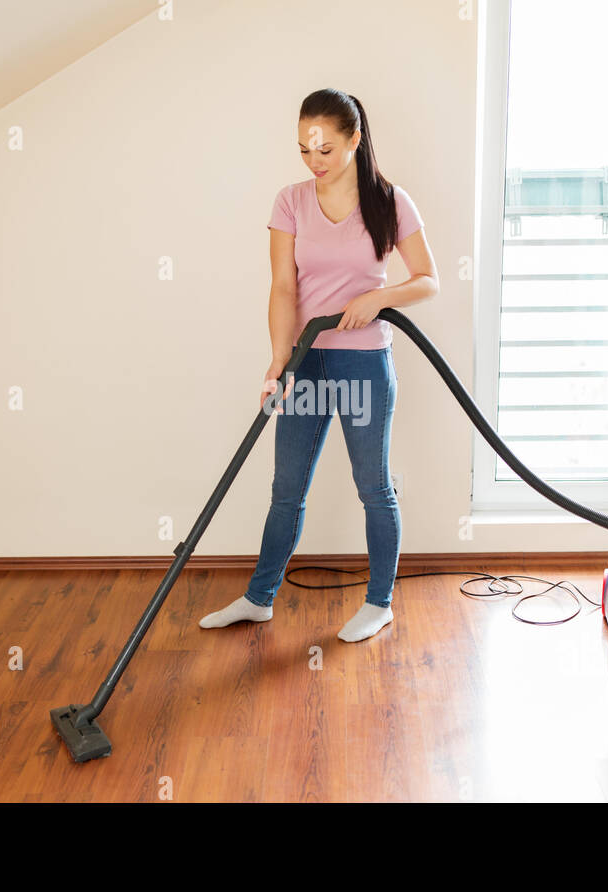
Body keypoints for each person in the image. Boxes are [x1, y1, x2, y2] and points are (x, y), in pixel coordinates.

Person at [199, 88, 438, 642]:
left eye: (326, 150)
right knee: (287, 487)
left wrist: (378, 299)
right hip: (306, 362)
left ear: (355, 140)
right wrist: (278, 362)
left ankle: (380, 602)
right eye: (305, 150)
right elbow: (283, 287)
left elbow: (429, 279)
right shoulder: (290, 201)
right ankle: (260, 598)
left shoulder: (389, 201)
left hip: (363, 366)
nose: (314, 162)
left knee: (373, 485)